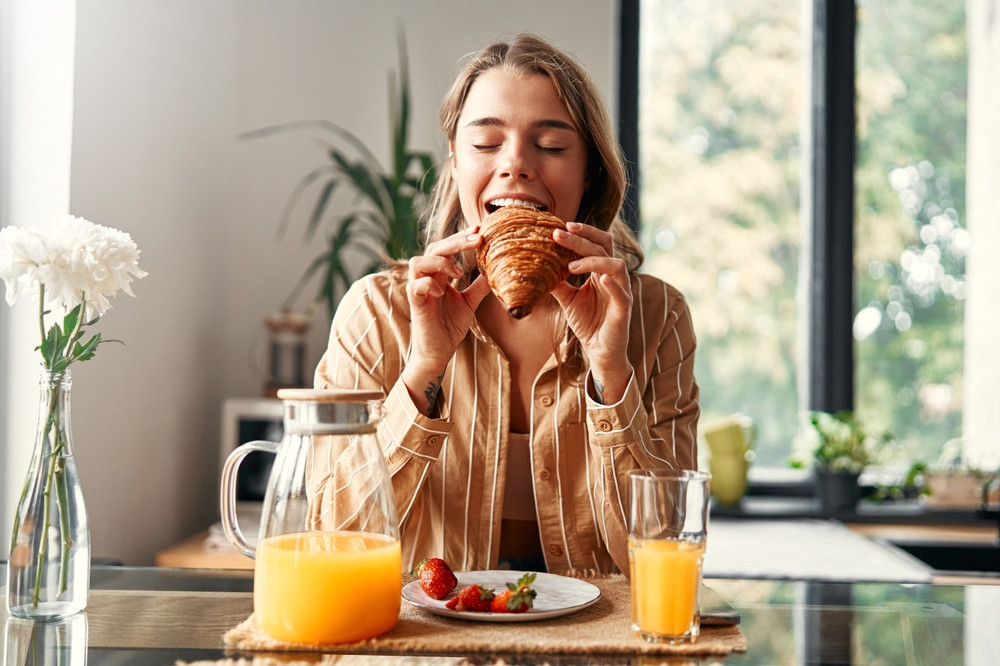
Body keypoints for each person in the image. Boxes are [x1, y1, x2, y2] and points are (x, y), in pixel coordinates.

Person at [312, 33, 699, 576]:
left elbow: (668, 552)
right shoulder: (376, 315)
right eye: (487, 143)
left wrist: (610, 372)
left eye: (553, 146)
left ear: (589, 169)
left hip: (594, 645)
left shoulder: (656, 315)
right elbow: (329, 539)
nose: (515, 165)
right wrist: (424, 370)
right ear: (454, 159)